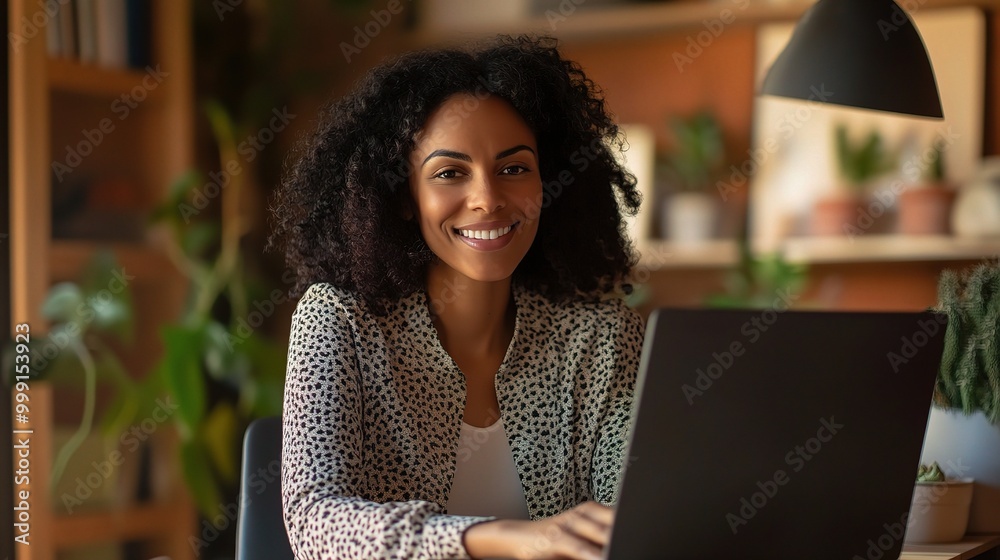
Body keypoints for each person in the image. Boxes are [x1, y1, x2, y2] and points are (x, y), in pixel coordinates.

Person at [270, 34, 645, 560]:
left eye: (514, 168)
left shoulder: (602, 338)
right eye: (450, 173)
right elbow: (315, 521)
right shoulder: (340, 319)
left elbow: (634, 520)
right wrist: (501, 538)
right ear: (404, 196)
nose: (488, 199)